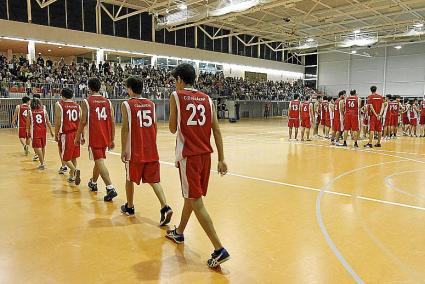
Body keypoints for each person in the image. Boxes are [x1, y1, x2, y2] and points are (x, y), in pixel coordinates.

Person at [166, 63, 230, 268]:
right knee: (191, 197)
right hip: (206, 156)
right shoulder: (208, 99)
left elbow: (172, 128)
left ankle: (219, 249)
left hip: (189, 156)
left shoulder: (177, 96)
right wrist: (221, 158)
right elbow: (217, 131)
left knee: (196, 200)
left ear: (179, 80)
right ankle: (179, 233)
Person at [120, 76, 173, 225]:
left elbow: (125, 129)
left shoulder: (126, 104)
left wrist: (124, 149)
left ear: (130, 89)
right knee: (154, 180)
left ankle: (129, 206)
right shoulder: (151, 104)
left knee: (129, 178)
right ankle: (165, 206)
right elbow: (154, 126)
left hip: (135, 148)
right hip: (150, 148)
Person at [74, 77, 118, 202]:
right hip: (106, 135)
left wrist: (78, 137)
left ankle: (110, 188)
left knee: (99, 160)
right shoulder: (108, 101)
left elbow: (83, 121)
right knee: (99, 160)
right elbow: (112, 121)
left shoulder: (87, 101)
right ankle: (93, 182)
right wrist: (112, 138)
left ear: (89, 88)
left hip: (95, 135)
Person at [54, 88, 82, 184]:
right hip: (76, 133)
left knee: (65, 158)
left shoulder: (59, 105)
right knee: (73, 156)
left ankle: (74, 171)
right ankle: (72, 177)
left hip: (66, 134)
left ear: (62, 96)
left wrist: (56, 134)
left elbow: (57, 122)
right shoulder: (78, 106)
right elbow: (81, 122)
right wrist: (82, 135)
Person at [26, 98, 54, 170]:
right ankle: (42, 162)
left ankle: (42, 163)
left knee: (36, 147)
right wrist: (51, 131)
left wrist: (27, 131)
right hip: (43, 131)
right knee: (42, 146)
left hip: (35, 131)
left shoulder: (30, 112)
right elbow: (48, 122)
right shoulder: (44, 111)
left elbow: (28, 124)